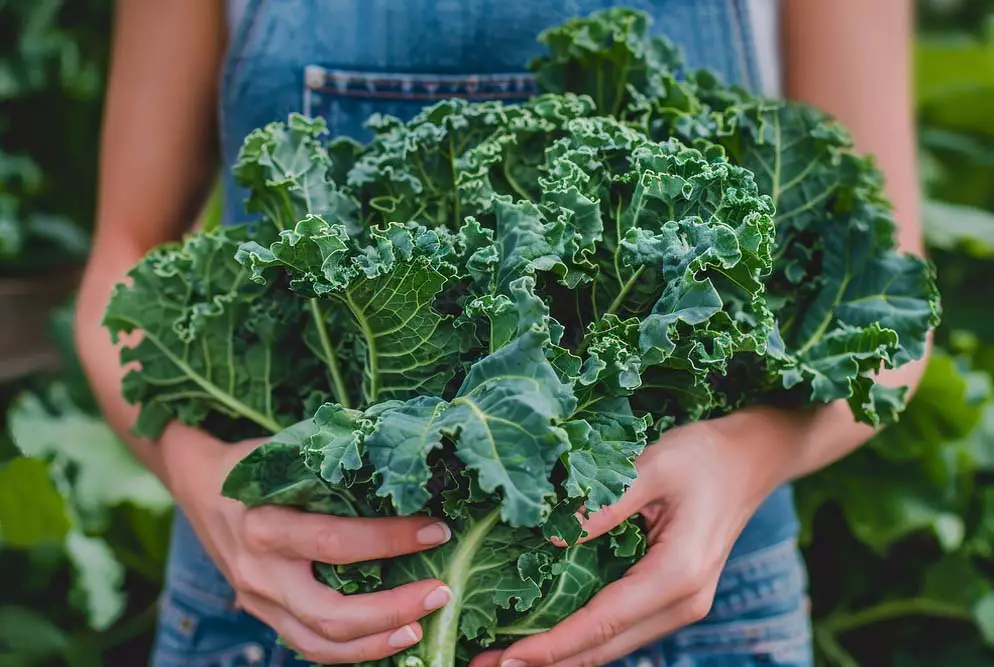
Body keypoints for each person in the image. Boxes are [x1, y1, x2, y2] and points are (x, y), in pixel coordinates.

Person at [75, 1, 927, 666]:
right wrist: (206, 479)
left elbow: (887, 302)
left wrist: (746, 457)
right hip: (279, 610)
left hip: (690, 620)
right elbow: (125, 265)